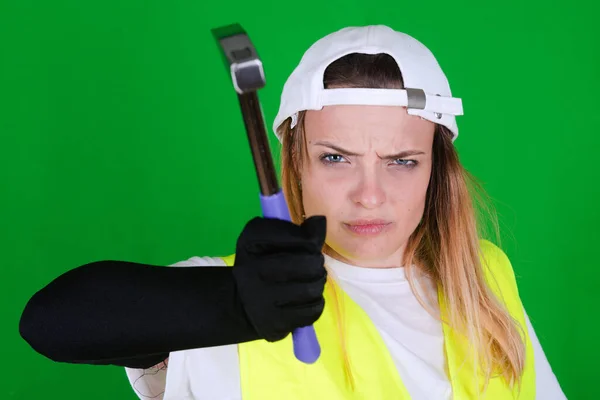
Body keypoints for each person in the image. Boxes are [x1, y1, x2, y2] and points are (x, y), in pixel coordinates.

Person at [19, 25, 567, 399]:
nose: (369, 195)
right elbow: (52, 323)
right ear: (296, 164)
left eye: (401, 161)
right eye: (336, 158)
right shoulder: (230, 290)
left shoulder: (485, 276)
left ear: (435, 169)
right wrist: (232, 305)